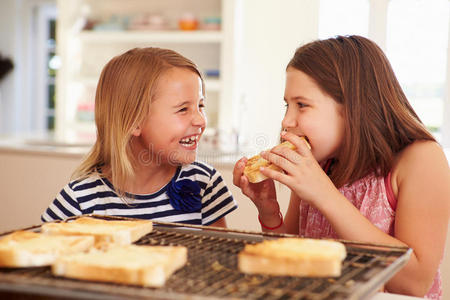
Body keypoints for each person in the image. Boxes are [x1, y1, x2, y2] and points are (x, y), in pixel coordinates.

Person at [233, 35, 449, 299]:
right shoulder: (318, 163)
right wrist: (269, 211)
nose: (286, 121)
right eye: (287, 105)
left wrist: (324, 195)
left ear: (353, 107)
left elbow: (412, 285)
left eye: (302, 105)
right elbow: (289, 262)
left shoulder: (421, 159)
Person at [42, 47, 237, 227]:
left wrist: (267, 213)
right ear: (134, 121)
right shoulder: (79, 200)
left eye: (200, 106)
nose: (201, 121)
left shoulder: (205, 183)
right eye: (183, 109)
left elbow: (221, 262)